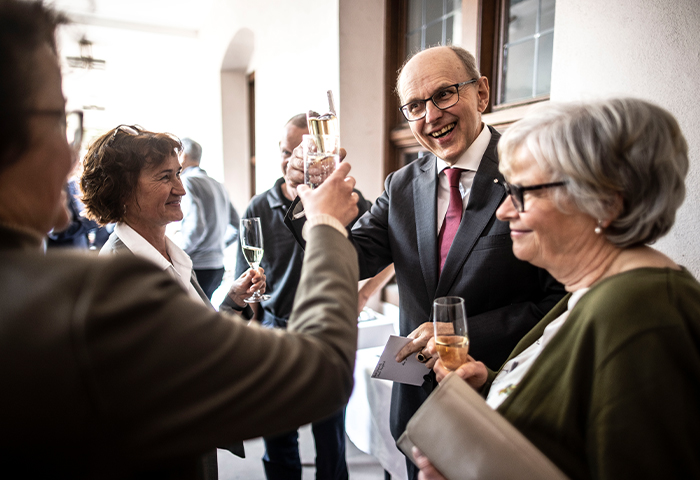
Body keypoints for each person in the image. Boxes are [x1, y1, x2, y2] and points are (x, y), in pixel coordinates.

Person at [0, 1, 361, 477]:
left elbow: (174, 348)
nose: (69, 150)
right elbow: (323, 372)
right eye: (60, 119)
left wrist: (227, 305)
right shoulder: (105, 285)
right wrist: (326, 226)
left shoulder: (171, 259)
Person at [287, 44, 565, 479]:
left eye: (444, 94)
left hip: (498, 399)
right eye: (415, 105)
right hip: (414, 406)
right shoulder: (401, 184)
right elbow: (351, 258)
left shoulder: (530, 172)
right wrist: (310, 203)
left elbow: (557, 302)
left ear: (482, 93)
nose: (431, 116)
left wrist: (456, 334)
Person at [416, 98, 700, 480]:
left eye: (523, 193)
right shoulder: (595, 291)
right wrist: (492, 382)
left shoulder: (640, 314)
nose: (503, 211)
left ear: (606, 201)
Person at [235, 113, 373, 480]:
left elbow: (395, 244)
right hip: (274, 332)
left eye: (297, 152)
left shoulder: (346, 201)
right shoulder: (258, 207)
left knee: (331, 441)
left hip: (325, 332)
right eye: (284, 152)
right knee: (279, 439)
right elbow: (245, 278)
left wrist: (364, 294)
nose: (289, 161)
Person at [173, 137, 241, 299]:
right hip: (217, 267)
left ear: (183, 157)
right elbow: (237, 226)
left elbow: (197, 226)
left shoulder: (187, 182)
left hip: (197, 267)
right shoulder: (218, 185)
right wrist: (217, 246)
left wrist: (177, 253)